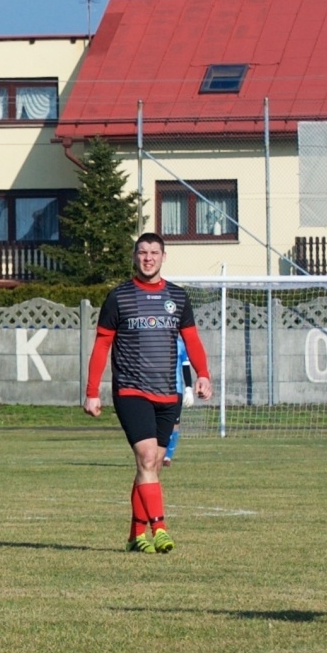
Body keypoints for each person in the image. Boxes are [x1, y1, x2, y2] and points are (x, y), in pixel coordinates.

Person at [83, 233, 213, 553]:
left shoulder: (178, 298)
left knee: (151, 464)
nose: (148, 258)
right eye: (142, 252)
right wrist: (92, 391)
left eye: (154, 252)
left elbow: (192, 341)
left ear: (163, 257)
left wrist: (204, 375)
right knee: (145, 456)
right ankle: (160, 528)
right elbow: (102, 345)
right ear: (135, 256)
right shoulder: (119, 297)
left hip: (167, 393)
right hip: (131, 390)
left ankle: (135, 535)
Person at [162, 337, 193, 467]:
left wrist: (188, 389)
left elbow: (186, 368)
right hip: (156, 389)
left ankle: (167, 456)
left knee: (174, 424)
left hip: (176, 390)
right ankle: (155, 454)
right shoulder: (155, 341)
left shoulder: (180, 344)